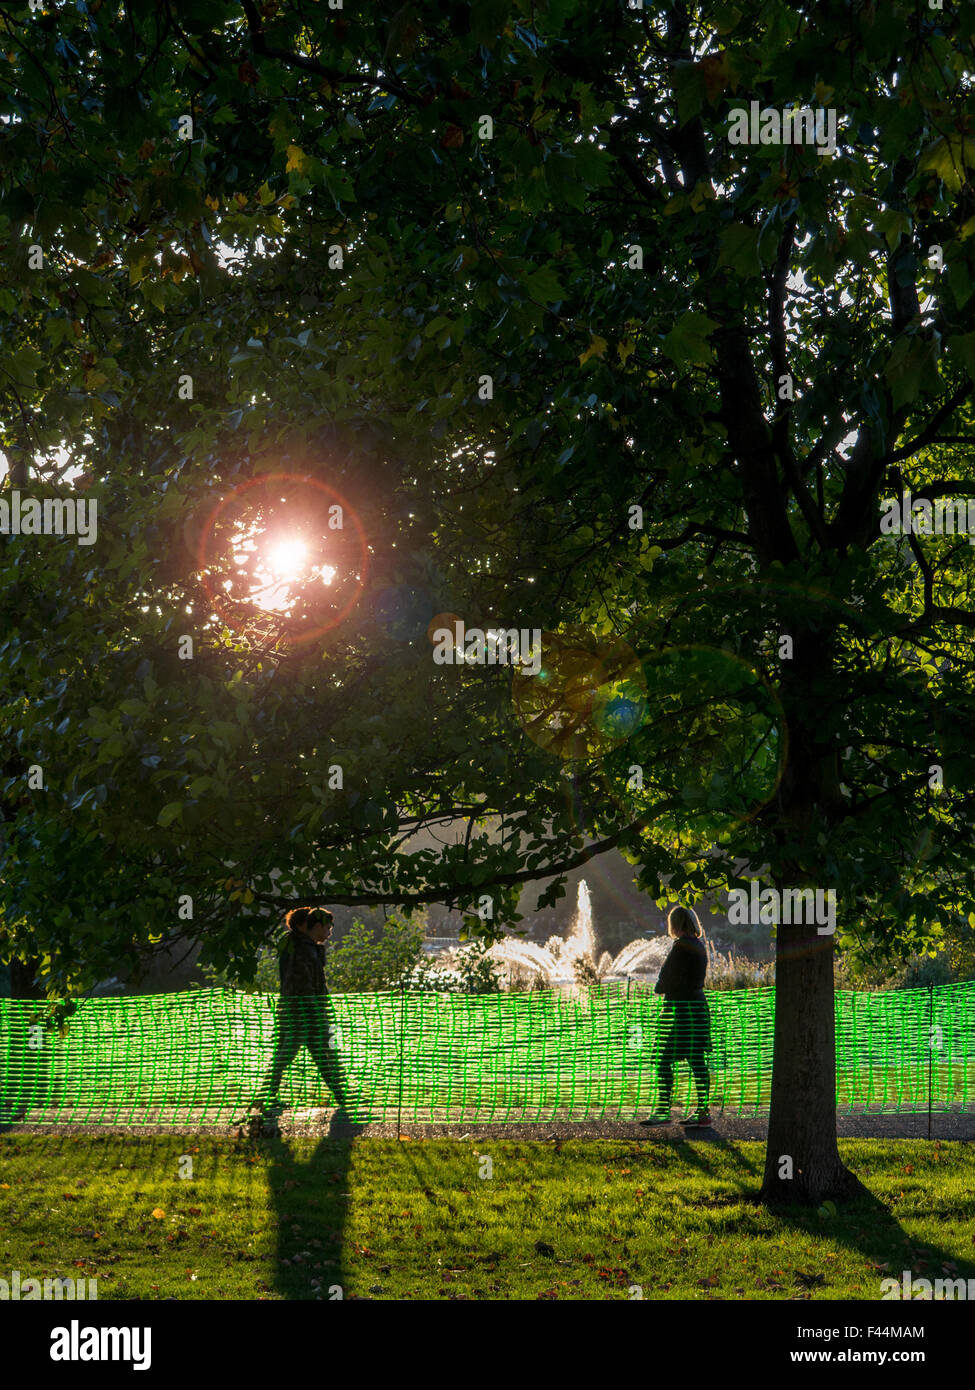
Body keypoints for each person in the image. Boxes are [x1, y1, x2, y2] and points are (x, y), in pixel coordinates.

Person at [250, 906, 349, 1123]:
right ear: (315, 926)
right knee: (309, 1053)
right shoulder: (302, 950)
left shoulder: (307, 948)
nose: (330, 932)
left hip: (300, 1010)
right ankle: (344, 1097)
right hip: (302, 1012)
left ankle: (343, 1097)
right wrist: (316, 1009)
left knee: (310, 1054)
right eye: (328, 927)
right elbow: (303, 983)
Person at [640, 905, 713, 1128]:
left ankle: (663, 1110)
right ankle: (703, 1112)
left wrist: (660, 987)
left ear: (675, 924)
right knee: (697, 1060)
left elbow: (665, 979)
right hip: (698, 1009)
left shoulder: (680, 947)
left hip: (682, 1012)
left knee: (663, 1060)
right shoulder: (699, 946)